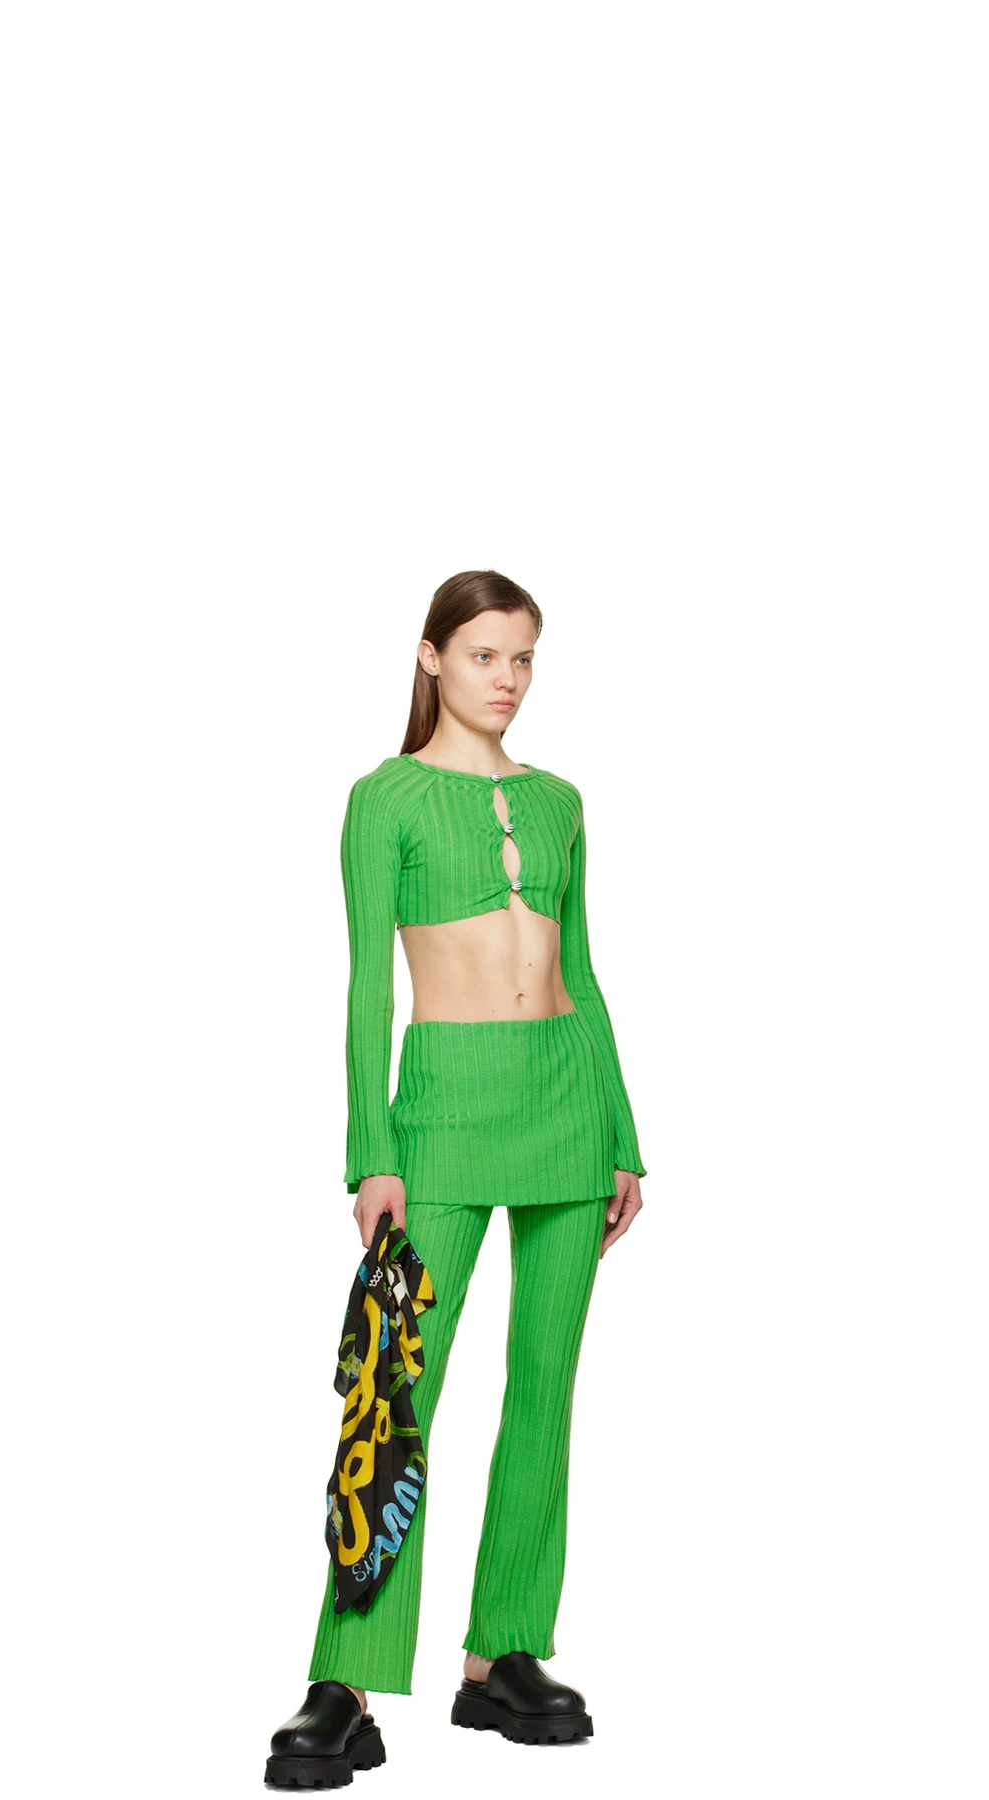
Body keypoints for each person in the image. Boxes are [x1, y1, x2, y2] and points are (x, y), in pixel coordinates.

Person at [264, 570, 645, 1788]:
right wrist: (370, 1149)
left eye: (523, 658)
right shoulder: (384, 800)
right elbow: (366, 986)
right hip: (441, 1110)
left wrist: (623, 1134)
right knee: (392, 1396)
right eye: (485, 655)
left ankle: (504, 1655)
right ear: (431, 657)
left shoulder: (562, 801)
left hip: (566, 1104)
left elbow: (582, 970)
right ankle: (346, 1678)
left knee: (544, 1389)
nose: (508, 679)